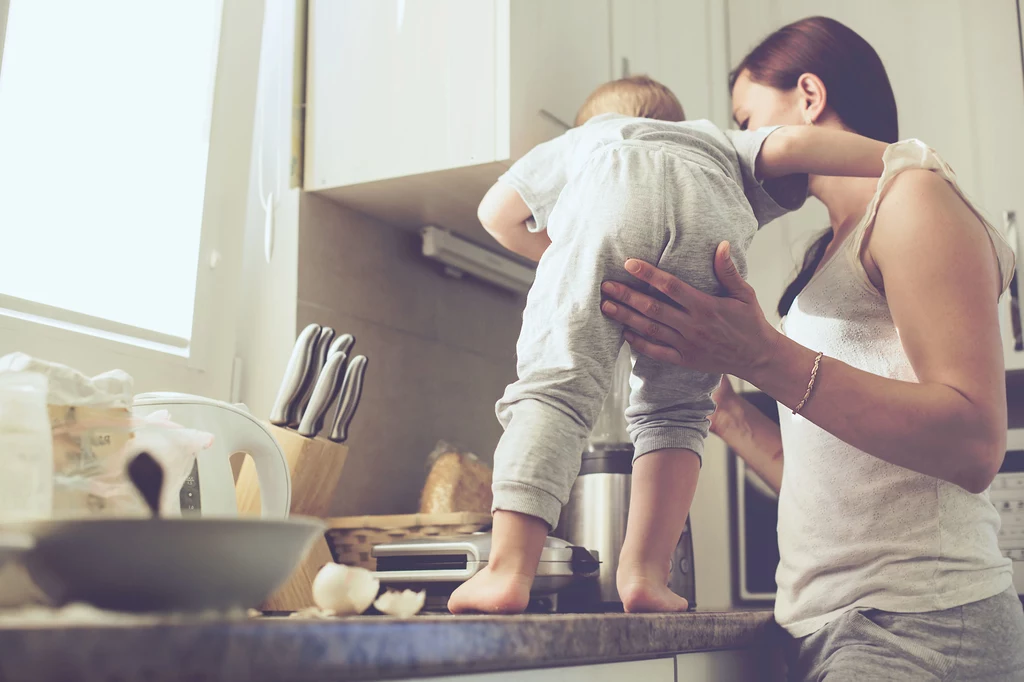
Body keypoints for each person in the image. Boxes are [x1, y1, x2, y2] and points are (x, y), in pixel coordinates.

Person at [598, 16, 1024, 680]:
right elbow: (831, 482)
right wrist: (725, 403)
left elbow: (973, 445)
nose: (741, 146)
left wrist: (762, 352)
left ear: (808, 95)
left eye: (746, 120)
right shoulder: (830, 249)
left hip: (920, 625)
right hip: (825, 621)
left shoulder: (913, 197)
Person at [448, 74, 890, 615]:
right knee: (677, 412)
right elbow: (795, 145)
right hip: (710, 232)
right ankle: (645, 575)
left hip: (608, 208)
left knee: (556, 390)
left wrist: (570, 257)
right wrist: (904, 158)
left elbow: (495, 214)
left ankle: (508, 570)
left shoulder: (590, 137)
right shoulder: (718, 140)